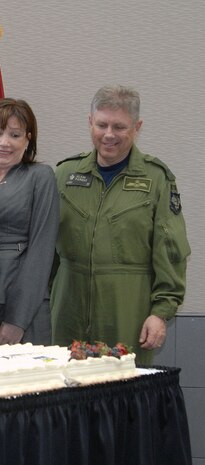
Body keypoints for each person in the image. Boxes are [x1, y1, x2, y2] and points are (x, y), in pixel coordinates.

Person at [51, 85, 191, 365]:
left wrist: (160, 312)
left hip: (129, 312)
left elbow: (171, 252)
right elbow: (44, 248)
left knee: (123, 398)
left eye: (119, 126)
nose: (109, 134)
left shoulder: (157, 180)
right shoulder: (65, 175)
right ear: (90, 121)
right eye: (101, 124)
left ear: (137, 127)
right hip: (68, 311)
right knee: (66, 398)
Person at [0, 98, 59, 346]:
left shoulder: (41, 177)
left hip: (26, 309)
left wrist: (18, 321)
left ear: (27, 140)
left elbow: (42, 250)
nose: (4, 142)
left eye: (15, 135)